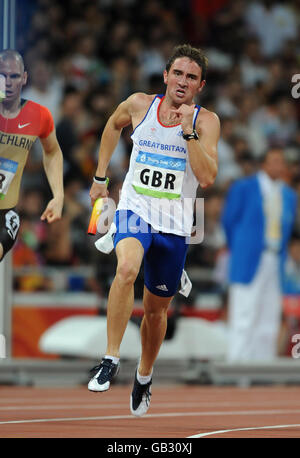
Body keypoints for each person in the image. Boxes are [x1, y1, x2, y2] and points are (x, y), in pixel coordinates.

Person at [88, 44, 220, 417]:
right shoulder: (139, 105)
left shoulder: (206, 121)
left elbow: (208, 178)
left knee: (155, 311)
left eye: (191, 77)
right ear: (165, 76)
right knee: (127, 269)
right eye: (177, 73)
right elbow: (112, 125)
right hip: (135, 210)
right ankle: (110, 358)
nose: (183, 81)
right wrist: (100, 177)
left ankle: (144, 375)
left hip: (175, 226)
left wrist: (189, 132)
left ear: (200, 85)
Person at [222, 148, 298, 362]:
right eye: (273, 161)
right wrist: (239, 248)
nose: (278, 165)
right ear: (263, 164)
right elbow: (229, 221)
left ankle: (263, 367)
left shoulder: (288, 194)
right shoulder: (244, 188)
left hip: (276, 257)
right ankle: (237, 365)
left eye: (281, 162)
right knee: (244, 313)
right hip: (248, 257)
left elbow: (288, 228)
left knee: (270, 315)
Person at [0, 49, 64, 262]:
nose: (8, 82)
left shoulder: (39, 115)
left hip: (6, 215)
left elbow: (53, 152)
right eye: (3, 75)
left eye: (14, 76)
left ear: (24, 78)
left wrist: (58, 195)